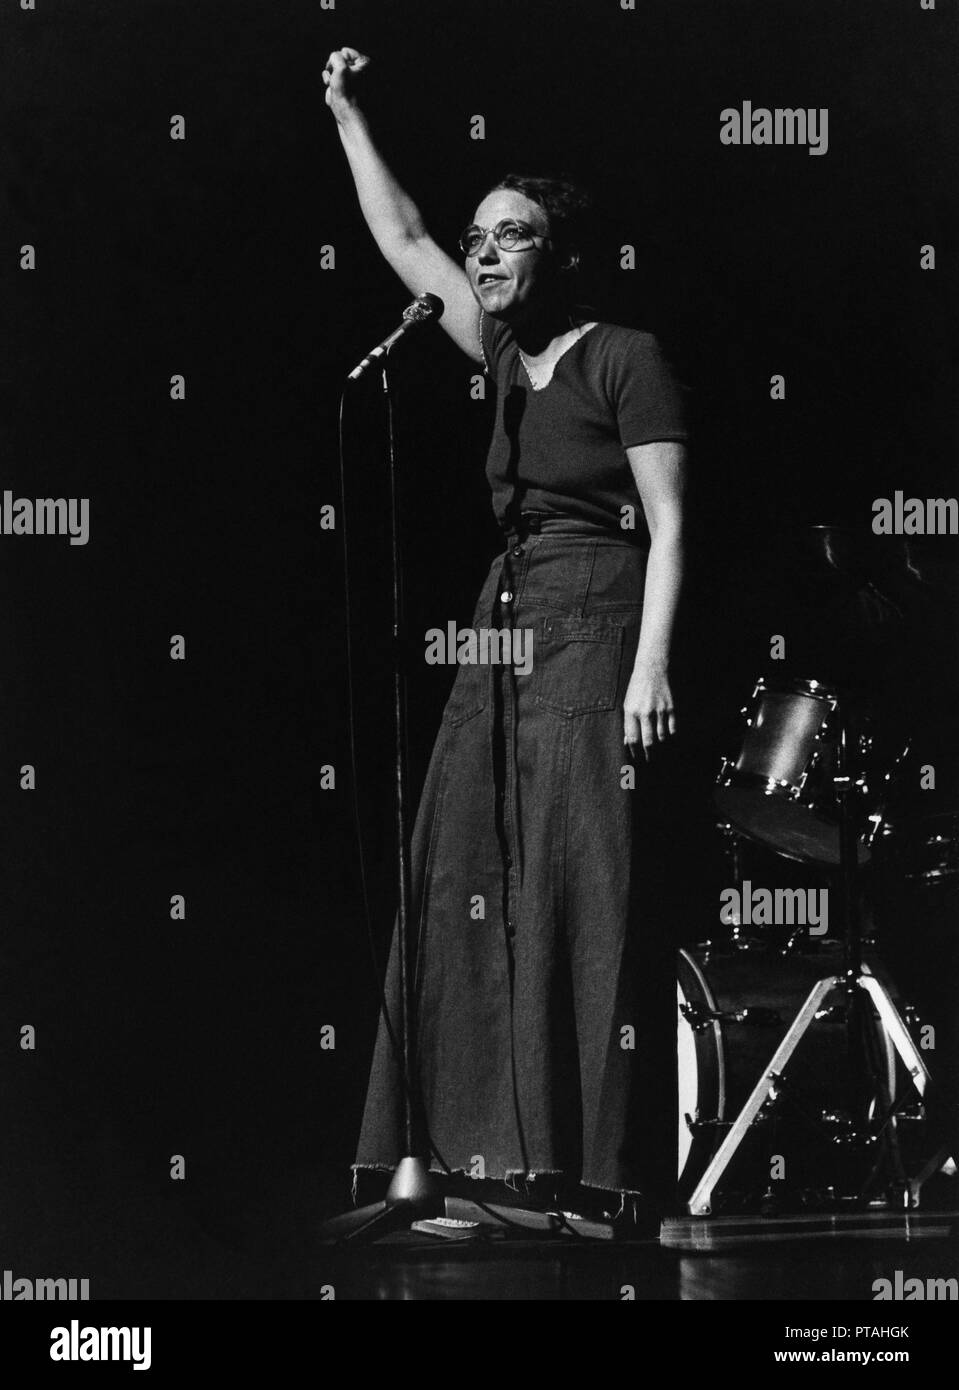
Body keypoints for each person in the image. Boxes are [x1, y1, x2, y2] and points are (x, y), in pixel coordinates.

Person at [324, 47, 690, 1225]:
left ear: (560, 253)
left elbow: (672, 524)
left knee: (583, 883)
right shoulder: (498, 361)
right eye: (479, 234)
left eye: (510, 234)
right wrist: (344, 109)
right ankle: (477, 1162)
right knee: (467, 874)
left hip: (598, 619)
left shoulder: (621, 357)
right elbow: (401, 238)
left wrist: (649, 666)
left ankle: (591, 1174)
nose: (482, 250)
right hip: (504, 625)